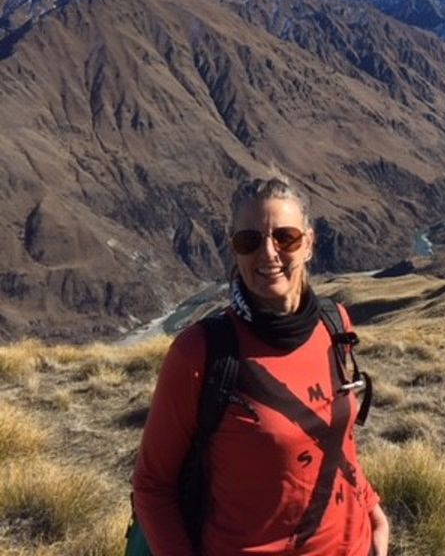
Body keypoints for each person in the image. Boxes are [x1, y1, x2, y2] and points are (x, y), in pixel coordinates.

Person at [133, 176, 389, 555]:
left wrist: (372, 509)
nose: (268, 253)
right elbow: (153, 488)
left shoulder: (335, 325)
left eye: (285, 237)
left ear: (309, 244)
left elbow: (336, 437)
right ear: (234, 249)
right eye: (249, 240)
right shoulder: (200, 353)